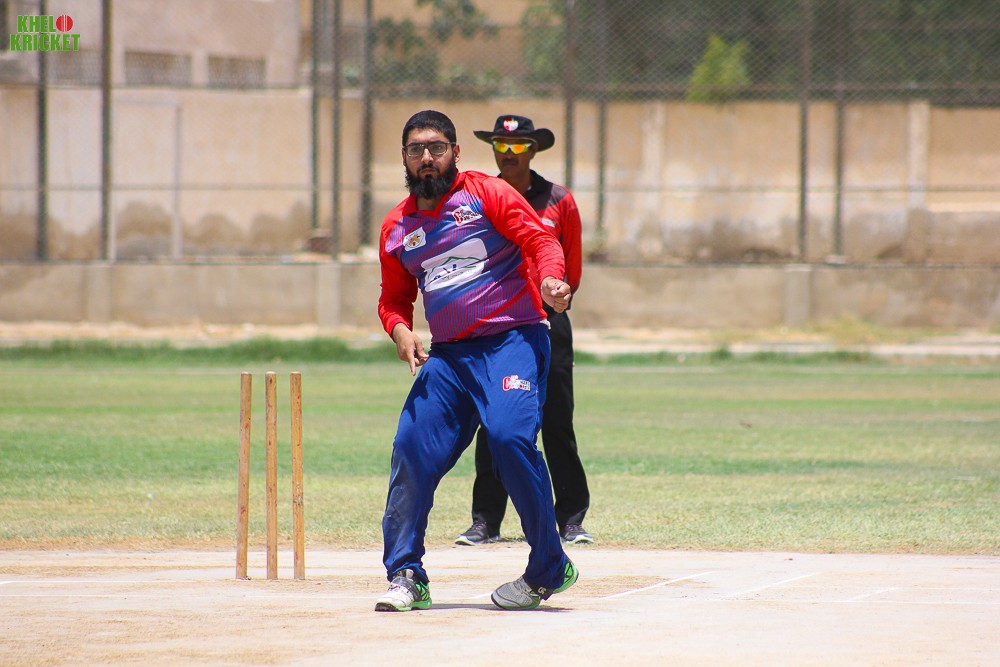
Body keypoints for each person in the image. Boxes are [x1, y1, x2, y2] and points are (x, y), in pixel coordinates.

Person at [374, 110, 579, 612]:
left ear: (455, 153)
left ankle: (548, 566)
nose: (427, 157)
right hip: (448, 358)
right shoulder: (397, 227)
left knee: (509, 439)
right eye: (417, 149)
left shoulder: (486, 193)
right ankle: (406, 574)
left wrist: (551, 279)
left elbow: (539, 239)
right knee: (411, 447)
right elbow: (394, 298)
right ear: (404, 157)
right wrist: (400, 330)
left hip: (512, 340)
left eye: (437, 148)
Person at [455, 114, 593, 546]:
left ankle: (570, 519)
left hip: (548, 321)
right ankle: (485, 521)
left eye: (518, 146)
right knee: (494, 421)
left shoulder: (559, 200)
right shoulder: (481, 198)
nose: (509, 154)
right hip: (498, 325)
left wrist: (557, 293)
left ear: (533, 150)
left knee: (557, 421)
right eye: (501, 145)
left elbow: (571, 267)